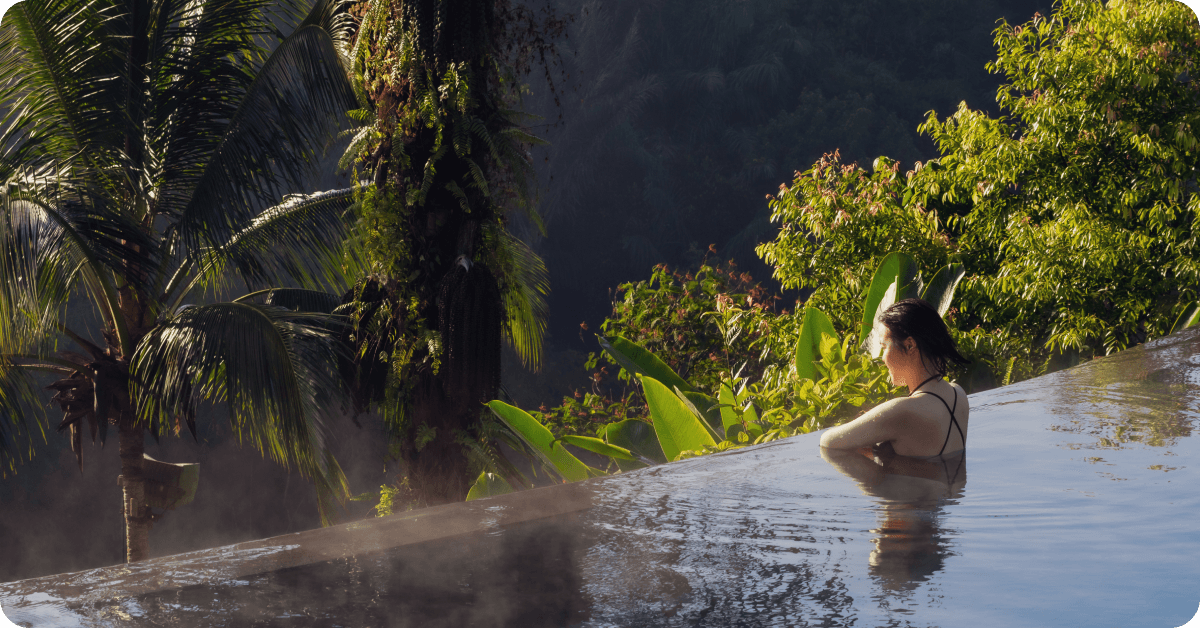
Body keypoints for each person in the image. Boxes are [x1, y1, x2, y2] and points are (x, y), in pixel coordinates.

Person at [819, 298, 971, 458]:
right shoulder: (959, 394)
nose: (882, 358)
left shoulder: (901, 411)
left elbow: (827, 441)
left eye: (884, 347)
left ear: (910, 345)